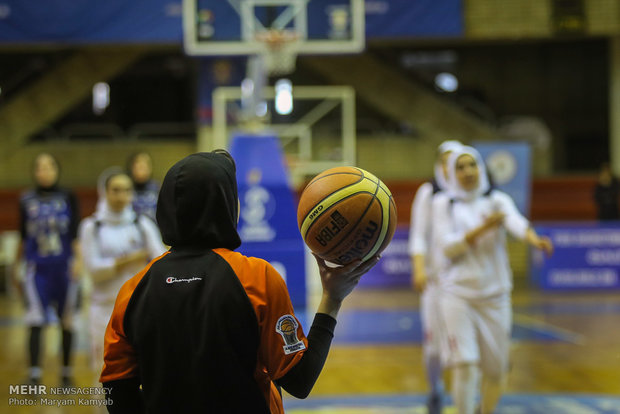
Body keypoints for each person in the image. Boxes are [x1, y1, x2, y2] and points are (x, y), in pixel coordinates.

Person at [99, 150, 379, 414]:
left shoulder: (133, 289)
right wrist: (332, 298)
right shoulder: (257, 277)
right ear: (227, 207)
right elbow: (299, 380)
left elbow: (116, 391)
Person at [432, 146, 553, 414]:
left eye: (471, 165)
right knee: (464, 363)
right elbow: (447, 247)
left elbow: (516, 223)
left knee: (496, 370)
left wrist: (535, 240)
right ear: (451, 173)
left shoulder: (497, 200)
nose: (467, 171)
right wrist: (484, 228)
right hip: (457, 295)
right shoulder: (444, 204)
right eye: (460, 167)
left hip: (495, 296)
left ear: (481, 169)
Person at [79, 168, 166, 371]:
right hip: (103, 310)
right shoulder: (92, 227)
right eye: (115, 190)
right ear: (104, 192)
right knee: (105, 370)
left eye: (126, 190)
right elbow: (94, 271)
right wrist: (131, 259)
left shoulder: (142, 224)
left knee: (142, 369)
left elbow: (160, 261)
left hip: (138, 309)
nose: (121, 196)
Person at [12, 153, 81, 386]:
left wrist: (79, 263)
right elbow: (23, 235)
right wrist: (15, 266)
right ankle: (34, 375)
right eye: (40, 167)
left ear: (57, 169)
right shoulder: (26, 198)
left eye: (49, 166)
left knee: (68, 320)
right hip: (37, 268)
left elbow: (75, 235)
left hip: (64, 267)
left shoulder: (68, 196)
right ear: (34, 171)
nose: (45, 171)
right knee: (35, 320)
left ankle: (66, 373)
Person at [408, 139, 462, 414]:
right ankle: (435, 389)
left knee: (463, 348)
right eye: (445, 159)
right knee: (433, 350)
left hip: (464, 284)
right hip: (434, 281)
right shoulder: (428, 192)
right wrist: (418, 268)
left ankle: (469, 396)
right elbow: (418, 235)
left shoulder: (471, 193)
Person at [126, 152, 160, 221]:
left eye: (146, 163)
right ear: (131, 166)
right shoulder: (125, 187)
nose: (142, 166)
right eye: (138, 163)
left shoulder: (157, 187)